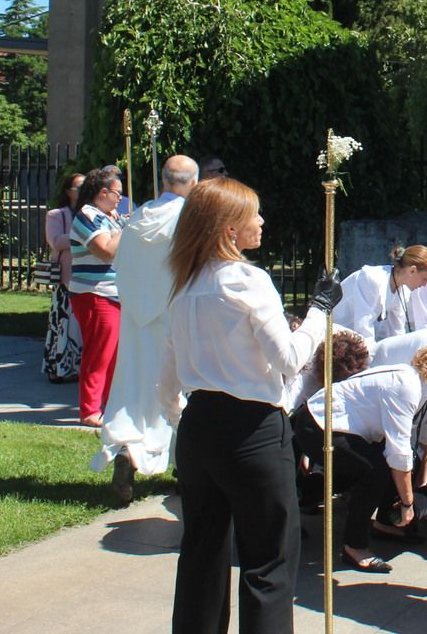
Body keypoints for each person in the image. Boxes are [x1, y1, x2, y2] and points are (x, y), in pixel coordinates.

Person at [157, 177, 336, 633]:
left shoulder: (183, 285)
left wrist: (185, 422)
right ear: (229, 229)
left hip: (199, 428)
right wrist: (319, 310)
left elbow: (168, 377)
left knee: (201, 553)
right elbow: (290, 360)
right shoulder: (247, 280)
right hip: (252, 428)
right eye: (252, 214)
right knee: (268, 562)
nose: (261, 221)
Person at [296, 338, 427, 573]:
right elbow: (398, 451)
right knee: (374, 471)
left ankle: (307, 495)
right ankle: (355, 547)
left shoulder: (419, 386)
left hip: (329, 424)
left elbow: (407, 446)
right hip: (318, 424)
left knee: (371, 468)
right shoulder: (408, 386)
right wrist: (407, 503)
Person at [95, 154, 199, 503]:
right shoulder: (189, 218)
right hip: (174, 314)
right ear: (194, 183)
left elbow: (121, 262)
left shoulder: (139, 216)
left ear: (164, 182)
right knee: (179, 388)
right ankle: (187, 469)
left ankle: (128, 450)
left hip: (138, 318)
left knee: (136, 386)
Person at [68, 167, 126, 428]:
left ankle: (109, 405)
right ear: (103, 193)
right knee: (98, 353)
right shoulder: (88, 216)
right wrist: (126, 228)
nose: (119, 200)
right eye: (117, 194)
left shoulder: (107, 217)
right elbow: (105, 251)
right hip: (95, 293)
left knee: (113, 354)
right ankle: (90, 410)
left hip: (112, 293)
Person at [332, 245, 427, 343]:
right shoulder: (371, 280)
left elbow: (396, 334)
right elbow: (363, 329)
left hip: (350, 341)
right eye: (425, 278)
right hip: (332, 336)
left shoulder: (403, 291)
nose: (425, 285)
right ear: (412, 271)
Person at [42, 171, 85, 384]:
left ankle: (77, 367)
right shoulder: (56, 214)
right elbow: (56, 241)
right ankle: (57, 367)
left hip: (86, 276)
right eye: (78, 186)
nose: (83, 190)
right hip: (66, 278)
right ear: (69, 191)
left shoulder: (90, 213)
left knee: (79, 326)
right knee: (63, 324)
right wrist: (87, 237)